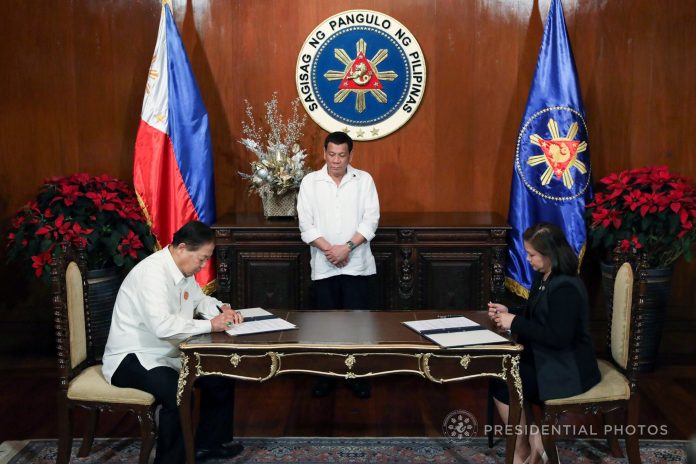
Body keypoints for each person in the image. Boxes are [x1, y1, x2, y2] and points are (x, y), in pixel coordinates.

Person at [102, 221, 245, 464]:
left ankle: (208, 446)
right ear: (181, 248)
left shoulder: (182, 271)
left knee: (220, 376)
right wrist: (212, 325)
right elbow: (162, 326)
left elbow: (200, 301)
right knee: (177, 394)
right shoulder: (152, 274)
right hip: (133, 357)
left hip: (168, 353)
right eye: (201, 259)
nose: (203, 266)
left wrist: (222, 308)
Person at [488, 223, 601, 464]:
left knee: (503, 382)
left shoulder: (566, 287)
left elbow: (558, 337)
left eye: (532, 255)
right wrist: (510, 312)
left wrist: (515, 322)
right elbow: (538, 314)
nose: (527, 259)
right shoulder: (545, 275)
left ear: (550, 255)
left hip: (568, 368)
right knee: (501, 373)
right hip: (548, 358)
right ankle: (533, 441)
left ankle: (521, 449)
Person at [297, 131, 380, 398]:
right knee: (325, 325)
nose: (336, 160)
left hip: (356, 265)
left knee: (358, 324)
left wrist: (347, 247)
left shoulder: (364, 180)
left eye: (341, 155)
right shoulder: (310, 182)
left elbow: (370, 221)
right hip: (324, 265)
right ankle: (327, 376)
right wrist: (330, 250)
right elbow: (305, 226)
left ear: (350, 155)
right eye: (331, 154)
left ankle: (357, 376)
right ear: (324, 153)